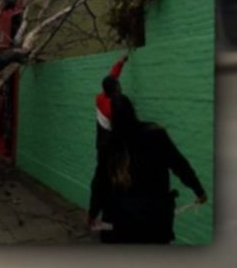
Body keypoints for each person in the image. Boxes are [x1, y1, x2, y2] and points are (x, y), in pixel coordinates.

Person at [88, 94, 208, 244]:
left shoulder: (109, 145)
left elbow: (100, 184)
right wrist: (199, 190)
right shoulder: (155, 134)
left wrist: (92, 213)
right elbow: (180, 165)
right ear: (132, 111)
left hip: (121, 224)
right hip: (156, 221)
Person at [95, 53, 128, 152]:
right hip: (109, 142)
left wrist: (120, 63)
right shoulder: (113, 107)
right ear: (114, 90)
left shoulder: (100, 97)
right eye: (118, 86)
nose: (120, 87)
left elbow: (112, 76)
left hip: (101, 141)